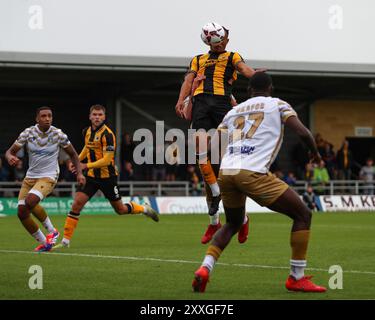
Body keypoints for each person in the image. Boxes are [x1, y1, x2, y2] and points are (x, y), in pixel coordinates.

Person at [192, 73, 326, 293]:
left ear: (248, 91)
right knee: (303, 215)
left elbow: (213, 152)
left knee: (232, 223)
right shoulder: (278, 105)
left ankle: (205, 268)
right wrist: (315, 154)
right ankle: (296, 277)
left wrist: (214, 186)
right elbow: (302, 132)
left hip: (227, 172)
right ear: (270, 88)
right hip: (253, 172)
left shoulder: (232, 112)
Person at [175, 22, 260, 244]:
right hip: (201, 105)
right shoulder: (198, 59)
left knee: (227, 170)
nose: (221, 41)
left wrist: (256, 77)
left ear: (225, 40)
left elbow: (244, 70)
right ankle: (214, 221)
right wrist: (181, 99)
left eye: (223, 38)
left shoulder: (232, 57)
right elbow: (188, 80)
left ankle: (242, 219)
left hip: (222, 105)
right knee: (203, 163)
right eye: (217, 38)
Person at [54, 104, 159, 249]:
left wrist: (85, 166)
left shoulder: (108, 135)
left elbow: (106, 160)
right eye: (94, 115)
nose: (97, 117)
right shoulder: (87, 131)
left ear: (104, 117)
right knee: (76, 204)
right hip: (91, 177)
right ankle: (65, 241)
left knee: (120, 210)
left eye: (100, 115)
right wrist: (77, 161)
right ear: (90, 116)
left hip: (108, 177)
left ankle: (144, 209)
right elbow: (87, 147)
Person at [5, 106, 86, 252]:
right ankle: (45, 243)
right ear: (37, 118)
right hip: (30, 177)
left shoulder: (58, 134)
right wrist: (10, 157)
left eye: (50, 116)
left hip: (49, 175)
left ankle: (52, 231)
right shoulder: (28, 133)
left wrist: (79, 173)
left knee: (30, 201)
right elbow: (9, 152)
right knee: (21, 212)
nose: (47, 118)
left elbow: (74, 154)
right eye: (43, 116)